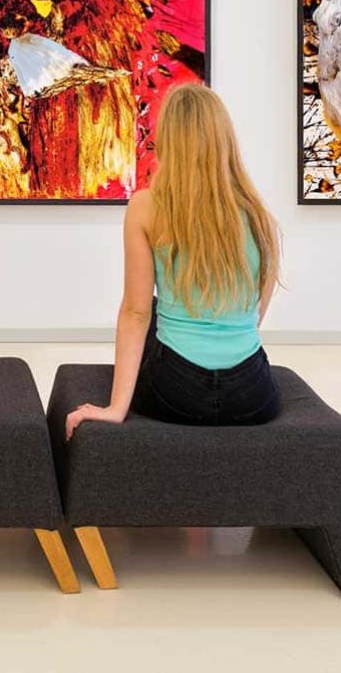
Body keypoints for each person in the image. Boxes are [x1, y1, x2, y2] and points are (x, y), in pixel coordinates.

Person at [66, 83, 282, 438]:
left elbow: (135, 313)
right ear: (223, 141)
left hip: (177, 396)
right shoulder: (258, 214)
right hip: (252, 397)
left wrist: (116, 408)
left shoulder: (146, 207)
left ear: (168, 142)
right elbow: (254, 312)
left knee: (150, 311)